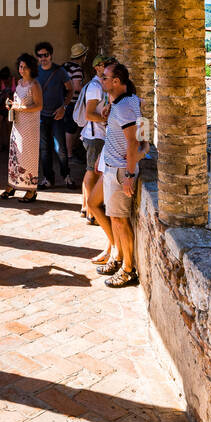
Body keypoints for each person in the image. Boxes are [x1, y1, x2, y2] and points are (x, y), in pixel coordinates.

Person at [88, 61, 147, 288]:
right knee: (116, 218)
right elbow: (141, 131)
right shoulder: (128, 101)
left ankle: (128, 269)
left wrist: (130, 174)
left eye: (104, 77)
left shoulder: (124, 107)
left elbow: (132, 142)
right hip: (114, 167)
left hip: (120, 171)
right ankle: (119, 258)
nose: (100, 80)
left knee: (120, 221)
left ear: (116, 82)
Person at [1, 52, 42, 202]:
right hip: (18, 125)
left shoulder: (34, 85)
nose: (22, 70)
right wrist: (11, 105)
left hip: (29, 127)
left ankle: (31, 189)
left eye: (25, 67)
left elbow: (38, 106)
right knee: (15, 154)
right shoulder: (19, 83)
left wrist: (19, 108)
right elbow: (18, 101)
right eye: (20, 67)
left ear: (31, 68)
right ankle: (12, 184)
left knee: (27, 156)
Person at [34, 40, 71, 189]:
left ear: (51, 55)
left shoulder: (60, 71)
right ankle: (48, 178)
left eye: (46, 55)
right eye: (40, 55)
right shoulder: (36, 72)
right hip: (41, 115)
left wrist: (64, 107)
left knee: (61, 148)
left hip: (57, 115)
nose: (43, 58)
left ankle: (66, 176)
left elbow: (70, 90)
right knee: (44, 149)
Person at [79, 54, 112, 222]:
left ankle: (86, 207)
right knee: (92, 171)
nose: (107, 68)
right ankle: (89, 209)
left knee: (91, 171)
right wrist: (108, 119)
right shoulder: (95, 87)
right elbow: (89, 114)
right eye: (105, 65)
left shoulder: (100, 85)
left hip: (98, 135)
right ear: (98, 67)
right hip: (95, 136)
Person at [63, 41, 89, 175]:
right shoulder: (77, 69)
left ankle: (67, 152)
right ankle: (69, 155)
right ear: (82, 56)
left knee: (69, 127)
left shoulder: (65, 66)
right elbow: (77, 86)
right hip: (72, 102)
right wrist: (88, 87)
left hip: (63, 102)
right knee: (71, 128)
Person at [0, 65, 16, 150]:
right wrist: (0, 93)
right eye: (3, 79)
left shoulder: (14, 80)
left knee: (9, 124)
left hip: (11, 107)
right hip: (1, 106)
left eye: (6, 78)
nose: (5, 81)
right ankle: (0, 144)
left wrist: (10, 96)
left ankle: (10, 146)